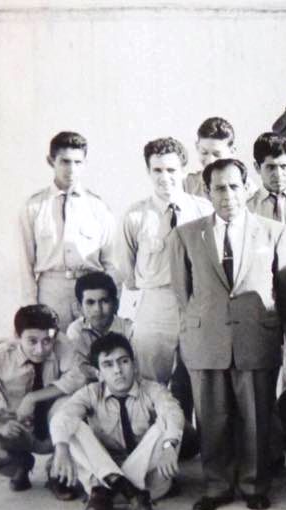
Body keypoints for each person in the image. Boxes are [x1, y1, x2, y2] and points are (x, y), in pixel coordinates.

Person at [170, 158, 286, 510]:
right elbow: (184, 294)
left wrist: (277, 330)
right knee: (211, 415)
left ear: (246, 188)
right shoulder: (185, 235)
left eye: (233, 186)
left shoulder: (274, 232)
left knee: (256, 414)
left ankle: (254, 483)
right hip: (206, 337)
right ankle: (216, 485)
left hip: (256, 335)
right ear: (207, 191)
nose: (227, 195)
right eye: (218, 188)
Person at [120, 137, 213, 421]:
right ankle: (150, 443)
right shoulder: (135, 216)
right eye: (157, 170)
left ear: (184, 170)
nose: (165, 178)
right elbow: (128, 272)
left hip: (196, 303)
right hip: (156, 304)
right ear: (148, 172)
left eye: (171, 170)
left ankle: (193, 443)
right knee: (150, 379)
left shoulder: (203, 210)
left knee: (200, 377)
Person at [49, 333, 184, 510]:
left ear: (134, 364)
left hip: (146, 482)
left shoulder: (152, 389)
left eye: (123, 361)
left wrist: (169, 446)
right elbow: (63, 416)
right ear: (98, 374)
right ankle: (129, 492)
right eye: (108, 365)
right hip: (110, 482)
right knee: (72, 426)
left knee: (166, 423)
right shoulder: (90, 393)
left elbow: (172, 412)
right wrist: (61, 448)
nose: (118, 370)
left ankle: (113, 490)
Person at [0, 305, 83, 498]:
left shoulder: (61, 343)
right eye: (32, 341)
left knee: (74, 403)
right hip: (18, 428)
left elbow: (78, 379)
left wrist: (33, 397)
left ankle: (57, 471)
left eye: (47, 341)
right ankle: (20, 465)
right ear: (17, 336)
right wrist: (0, 428)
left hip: (55, 428)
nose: (40, 349)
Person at [18, 131, 117, 331]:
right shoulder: (34, 207)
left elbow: (111, 262)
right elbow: (24, 264)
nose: (71, 169)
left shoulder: (98, 207)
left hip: (91, 292)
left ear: (85, 163)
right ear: (51, 161)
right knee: (54, 352)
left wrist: (111, 303)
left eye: (78, 162)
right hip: (51, 291)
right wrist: (31, 307)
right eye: (65, 161)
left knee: (91, 349)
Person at [66, 272, 133, 382]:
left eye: (104, 301)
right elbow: (77, 369)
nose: (98, 309)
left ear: (116, 304)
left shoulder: (129, 329)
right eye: (90, 303)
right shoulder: (76, 330)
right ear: (79, 307)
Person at [184, 117, 253, 199]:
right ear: (197, 147)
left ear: (232, 151)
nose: (210, 160)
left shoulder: (247, 188)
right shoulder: (187, 185)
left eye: (217, 154)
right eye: (204, 153)